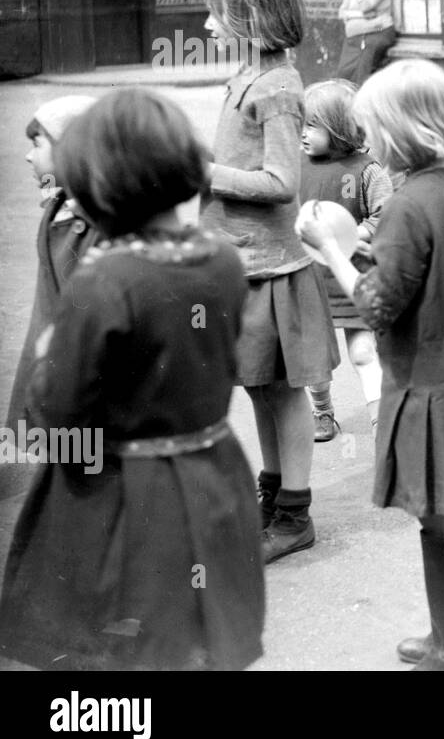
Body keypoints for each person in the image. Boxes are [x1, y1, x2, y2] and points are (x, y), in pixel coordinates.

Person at [0, 89, 264, 671]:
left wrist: (50, 355)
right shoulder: (220, 258)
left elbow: (61, 411)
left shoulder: (103, 279)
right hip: (213, 472)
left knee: (127, 648)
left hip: (124, 488)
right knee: (193, 636)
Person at [297, 59, 444, 671]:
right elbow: (434, 262)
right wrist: (376, 246)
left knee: (438, 509)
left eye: (373, 131)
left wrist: (332, 250)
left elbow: (375, 306)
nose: (368, 142)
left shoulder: (407, 205)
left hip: (432, 384)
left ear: (407, 133)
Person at [200, 0, 339, 563]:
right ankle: (272, 498)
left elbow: (283, 181)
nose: (207, 27)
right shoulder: (247, 78)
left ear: (252, 21)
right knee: (259, 390)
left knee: (281, 394)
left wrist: (208, 175)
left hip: (272, 270)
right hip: (242, 267)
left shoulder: (279, 88)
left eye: (217, 15)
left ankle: (294, 515)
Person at [299, 79, 394, 441]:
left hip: (354, 276)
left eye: (312, 126)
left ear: (338, 129)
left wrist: (355, 234)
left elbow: (386, 214)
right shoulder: (297, 166)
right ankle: (322, 412)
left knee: (363, 351)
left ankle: (380, 419)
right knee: (314, 360)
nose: (303, 134)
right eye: (301, 124)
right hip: (309, 278)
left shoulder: (366, 170)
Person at [5, 96, 99, 442]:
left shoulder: (96, 225)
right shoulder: (59, 203)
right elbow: (53, 190)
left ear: (71, 150)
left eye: (37, 143)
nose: (28, 155)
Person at [336, 0, 396, 85]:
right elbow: (341, 12)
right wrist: (360, 16)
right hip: (357, 33)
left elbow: (365, 6)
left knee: (364, 65)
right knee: (345, 68)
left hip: (379, 30)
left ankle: (360, 93)